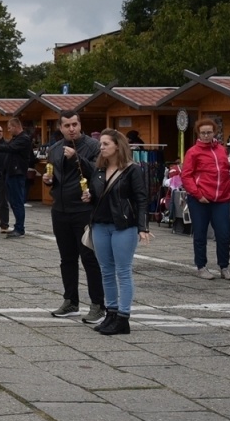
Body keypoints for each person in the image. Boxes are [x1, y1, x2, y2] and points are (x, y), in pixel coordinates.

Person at [88, 129, 151, 336]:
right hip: (100, 224)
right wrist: (89, 197)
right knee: (106, 271)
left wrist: (143, 227)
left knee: (123, 271)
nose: (101, 147)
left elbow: (141, 199)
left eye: (106, 144)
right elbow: (97, 195)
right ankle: (111, 313)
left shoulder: (132, 170)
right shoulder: (98, 169)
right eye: (101, 144)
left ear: (117, 146)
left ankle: (123, 318)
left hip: (124, 225)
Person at [46, 112, 106, 321]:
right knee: (67, 258)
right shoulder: (54, 149)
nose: (71, 129)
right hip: (60, 209)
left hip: (83, 209)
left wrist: (76, 158)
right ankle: (71, 301)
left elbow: (98, 173)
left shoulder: (93, 146)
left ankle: (98, 304)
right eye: (67, 125)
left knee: (89, 258)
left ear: (80, 125)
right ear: (60, 128)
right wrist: (48, 180)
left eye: (75, 124)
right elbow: (56, 177)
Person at [180, 118, 230, 279]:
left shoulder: (221, 150)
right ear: (198, 133)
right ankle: (201, 266)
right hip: (200, 199)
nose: (206, 135)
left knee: (224, 234)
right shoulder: (193, 152)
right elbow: (186, 176)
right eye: (203, 133)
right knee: (200, 234)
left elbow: (226, 172)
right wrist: (198, 194)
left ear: (214, 132)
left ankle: (224, 267)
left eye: (209, 132)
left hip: (221, 199)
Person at [1, 117, 35, 236]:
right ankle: (18, 226)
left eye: (9, 127)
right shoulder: (16, 138)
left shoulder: (23, 139)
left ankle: (20, 228)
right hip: (11, 173)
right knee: (13, 201)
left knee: (17, 201)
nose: (8, 130)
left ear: (15, 126)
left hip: (17, 173)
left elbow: (9, 148)